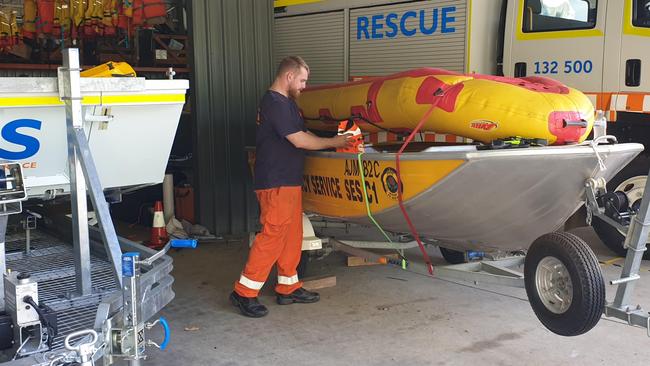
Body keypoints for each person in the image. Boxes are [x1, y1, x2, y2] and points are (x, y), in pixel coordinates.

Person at [230, 56, 354, 318]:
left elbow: (303, 135)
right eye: (302, 80)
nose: (304, 86)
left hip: (288, 180)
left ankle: (288, 286)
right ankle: (244, 292)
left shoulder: (286, 104)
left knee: (292, 235)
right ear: (288, 76)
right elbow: (299, 140)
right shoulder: (275, 103)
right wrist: (335, 141)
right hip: (275, 181)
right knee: (273, 236)